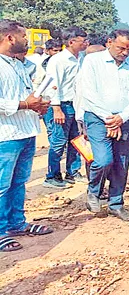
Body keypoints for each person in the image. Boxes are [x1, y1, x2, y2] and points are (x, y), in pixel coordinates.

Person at [0, 20, 53, 252]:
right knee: (2, 185)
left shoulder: (19, 64)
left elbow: (27, 95)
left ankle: (17, 224)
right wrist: (25, 104)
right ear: (10, 38)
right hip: (6, 135)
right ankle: (1, 231)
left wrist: (39, 105)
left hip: (26, 131)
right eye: (23, 36)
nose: (27, 41)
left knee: (18, 182)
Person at [80, 29, 129, 221]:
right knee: (103, 160)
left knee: (121, 163)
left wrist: (121, 118)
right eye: (121, 48)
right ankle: (94, 191)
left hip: (124, 120)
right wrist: (109, 119)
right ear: (109, 42)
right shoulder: (93, 61)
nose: (125, 53)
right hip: (98, 118)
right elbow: (89, 93)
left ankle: (116, 203)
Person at [43, 26, 88, 188]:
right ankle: (52, 176)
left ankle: (73, 172)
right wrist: (56, 108)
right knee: (58, 142)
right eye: (83, 41)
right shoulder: (58, 60)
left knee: (76, 140)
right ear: (71, 42)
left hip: (76, 105)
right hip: (62, 105)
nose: (86, 43)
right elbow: (53, 84)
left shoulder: (81, 58)